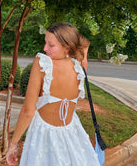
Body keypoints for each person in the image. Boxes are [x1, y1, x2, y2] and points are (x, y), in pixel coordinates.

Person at [6, 22, 100, 166]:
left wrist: (13, 145)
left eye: (51, 45)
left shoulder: (42, 63)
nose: (45, 48)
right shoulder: (79, 66)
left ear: (67, 47)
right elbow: (83, 53)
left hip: (43, 137)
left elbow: (27, 111)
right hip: (73, 135)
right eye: (45, 43)